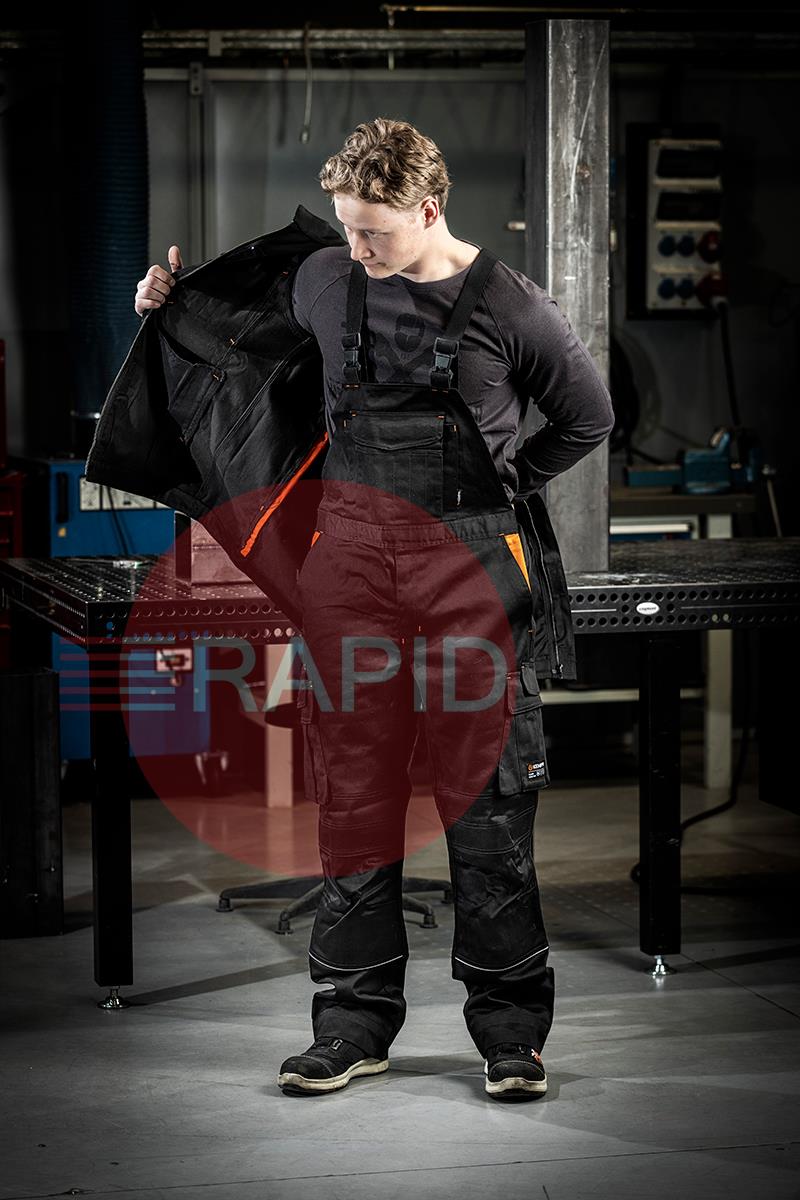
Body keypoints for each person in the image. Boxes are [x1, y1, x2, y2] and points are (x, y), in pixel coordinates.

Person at [135, 118, 614, 1101]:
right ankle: (351, 1025)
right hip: (349, 571)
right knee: (353, 798)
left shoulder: (509, 303)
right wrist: (161, 303)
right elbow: (232, 341)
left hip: (470, 572)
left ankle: (510, 1034)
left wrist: (506, 482)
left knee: (487, 805)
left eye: (373, 231)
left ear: (427, 210)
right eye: (347, 226)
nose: (354, 247)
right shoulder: (324, 277)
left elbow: (588, 415)